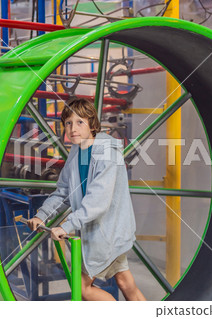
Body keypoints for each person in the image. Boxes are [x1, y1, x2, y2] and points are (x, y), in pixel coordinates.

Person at [27, 98, 146, 301]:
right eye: (68, 123)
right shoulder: (77, 151)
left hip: (109, 232)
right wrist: (43, 215)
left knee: (82, 288)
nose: (73, 128)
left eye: (80, 122)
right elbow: (64, 191)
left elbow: (98, 201)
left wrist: (68, 225)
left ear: (92, 123)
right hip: (99, 231)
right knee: (125, 282)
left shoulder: (107, 152)